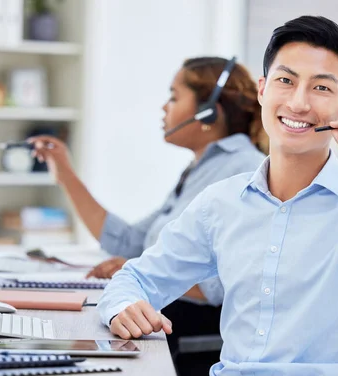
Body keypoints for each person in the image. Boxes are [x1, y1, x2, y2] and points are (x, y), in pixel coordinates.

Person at [97, 15, 338, 375]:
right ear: (262, 90)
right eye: (285, 81)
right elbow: (135, 279)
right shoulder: (221, 203)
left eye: (321, 88)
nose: (298, 103)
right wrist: (123, 307)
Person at [30, 57, 267, 373]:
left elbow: (219, 286)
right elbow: (131, 241)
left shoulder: (242, 170)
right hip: (158, 319)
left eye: (174, 96)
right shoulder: (202, 168)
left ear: (209, 111)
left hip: (183, 331)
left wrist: (137, 272)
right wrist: (65, 175)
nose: (164, 108)